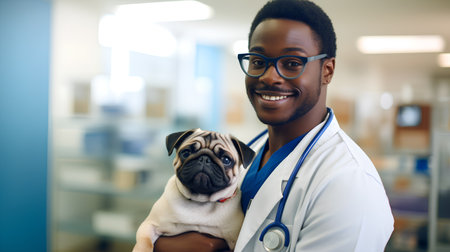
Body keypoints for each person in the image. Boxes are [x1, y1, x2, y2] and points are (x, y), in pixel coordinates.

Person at [154, 0, 394, 251]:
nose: (269, 76)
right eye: (258, 61)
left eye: (292, 63)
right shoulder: (243, 155)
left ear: (327, 70)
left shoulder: (349, 185)